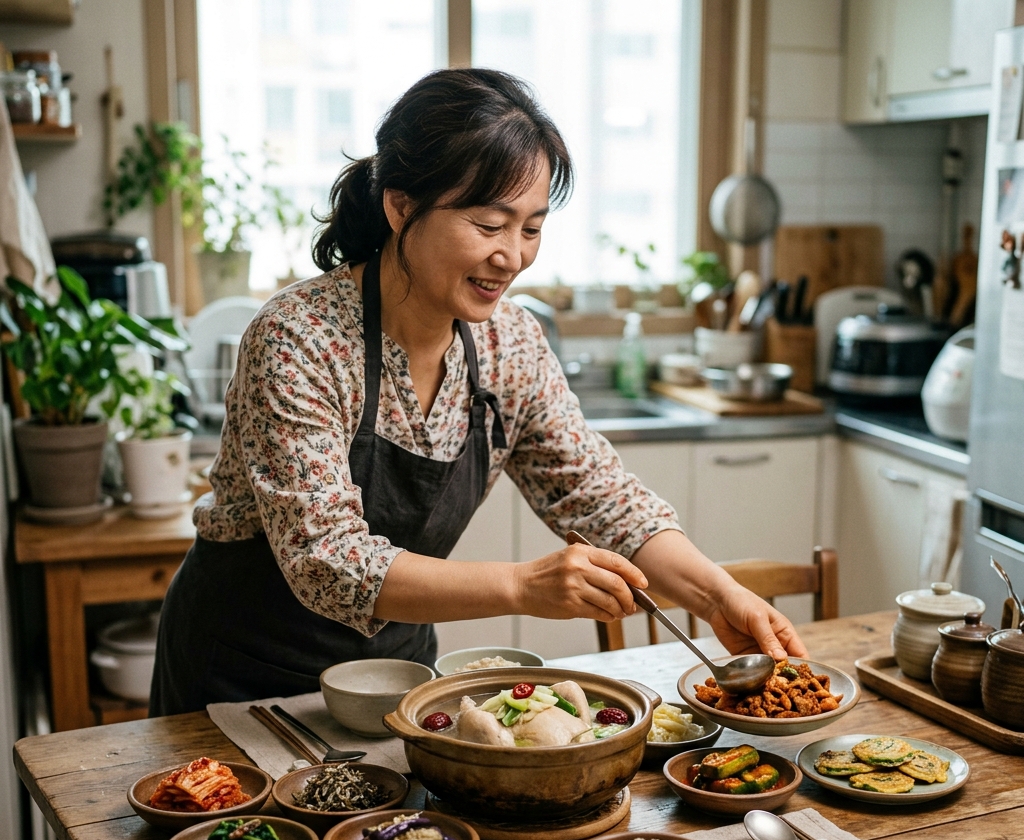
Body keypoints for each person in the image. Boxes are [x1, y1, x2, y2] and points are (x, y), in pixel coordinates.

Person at [150, 68, 806, 717]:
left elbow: (599, 497)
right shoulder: (300, 340)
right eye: (490, 225)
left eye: (531, 228)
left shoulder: (509, 346)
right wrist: (523, 585)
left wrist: (720, 598)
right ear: (401, 205)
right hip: (241, 676)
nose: (513, 257)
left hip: (395, 673)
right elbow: (327, 560)